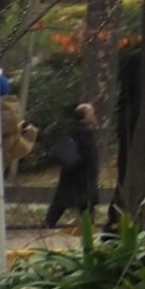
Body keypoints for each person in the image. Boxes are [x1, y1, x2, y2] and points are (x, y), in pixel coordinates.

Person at [40, 99, 98, 236]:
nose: (93, 115)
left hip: (70, 172)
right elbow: (87, 154)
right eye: (91, 112)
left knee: (62, 200)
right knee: (85, 202)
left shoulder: (73, 130)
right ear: (84, 116)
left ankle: (49, 223)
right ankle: (89, 227)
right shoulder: (84, 133)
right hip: (82, 175)